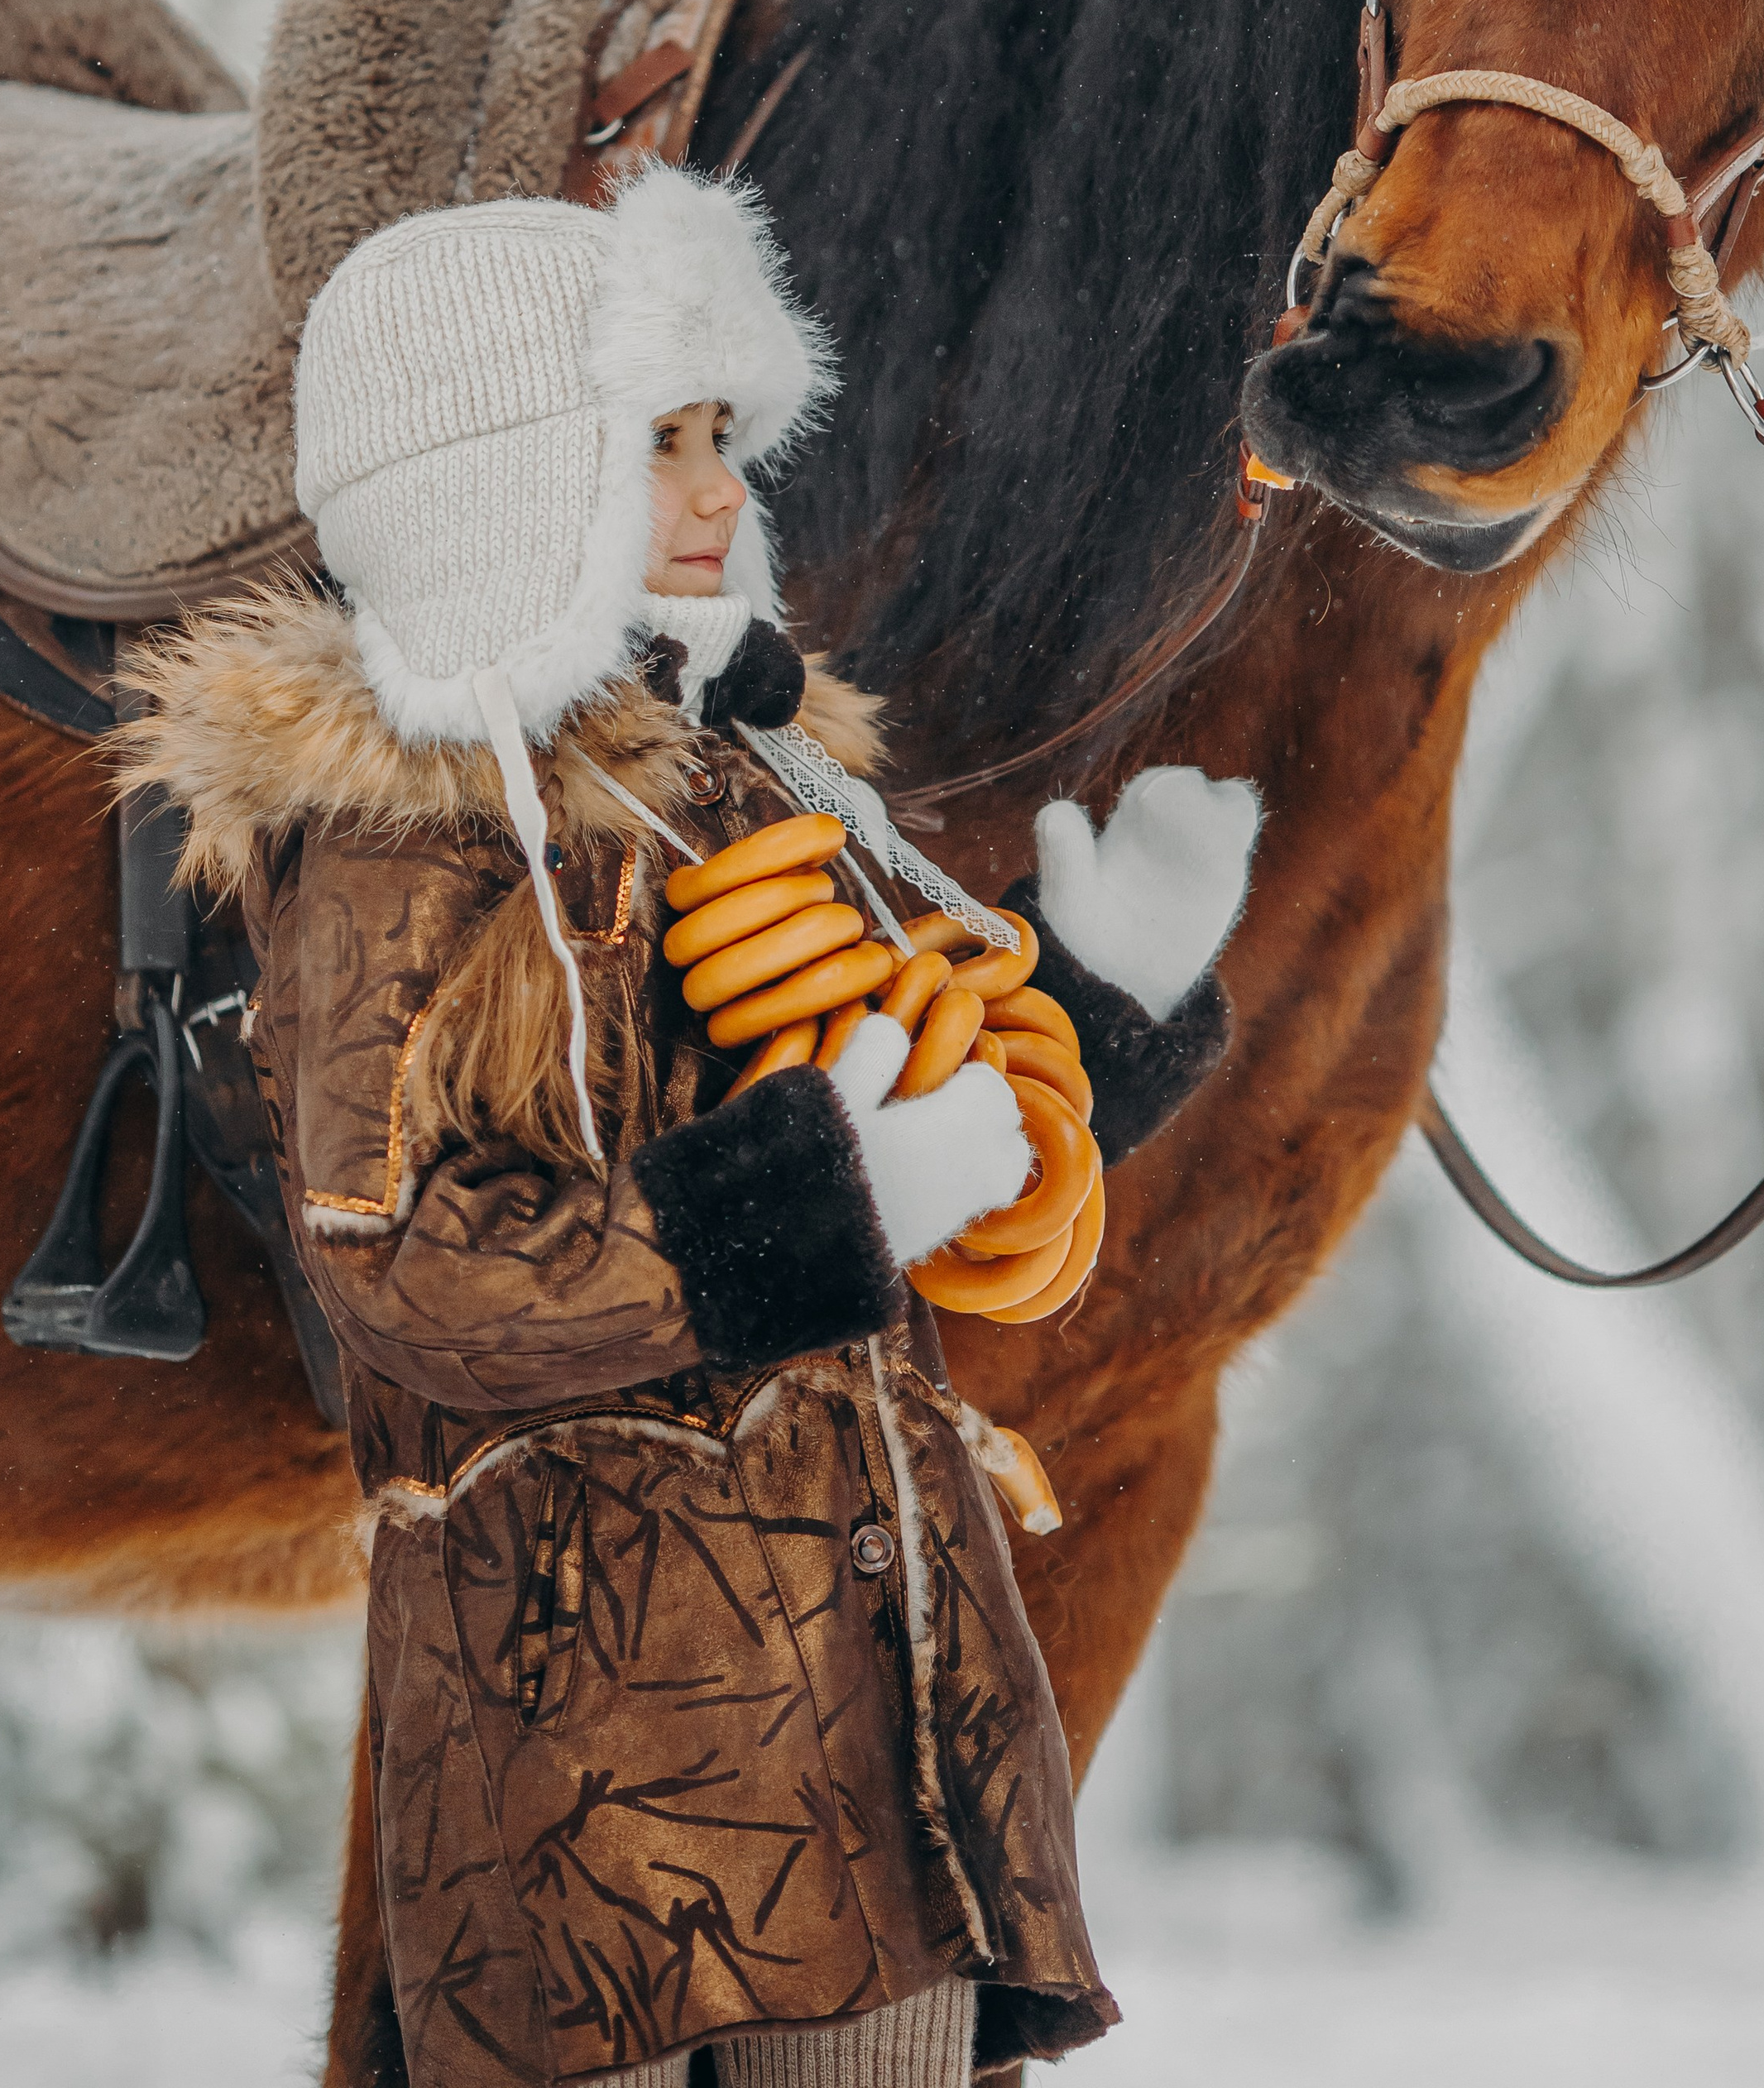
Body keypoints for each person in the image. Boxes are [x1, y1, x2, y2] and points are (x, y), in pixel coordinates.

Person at [126, 165, 1260, 2088]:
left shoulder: (737, 789)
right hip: (587, 1776)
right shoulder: (409, 844)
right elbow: (408, 1261)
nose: (722, 490)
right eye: (658, 441)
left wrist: (1086, 1004)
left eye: (722, 435)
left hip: (855, 1720)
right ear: (500, 476)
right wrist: (817, 1205)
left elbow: (882, 1085)